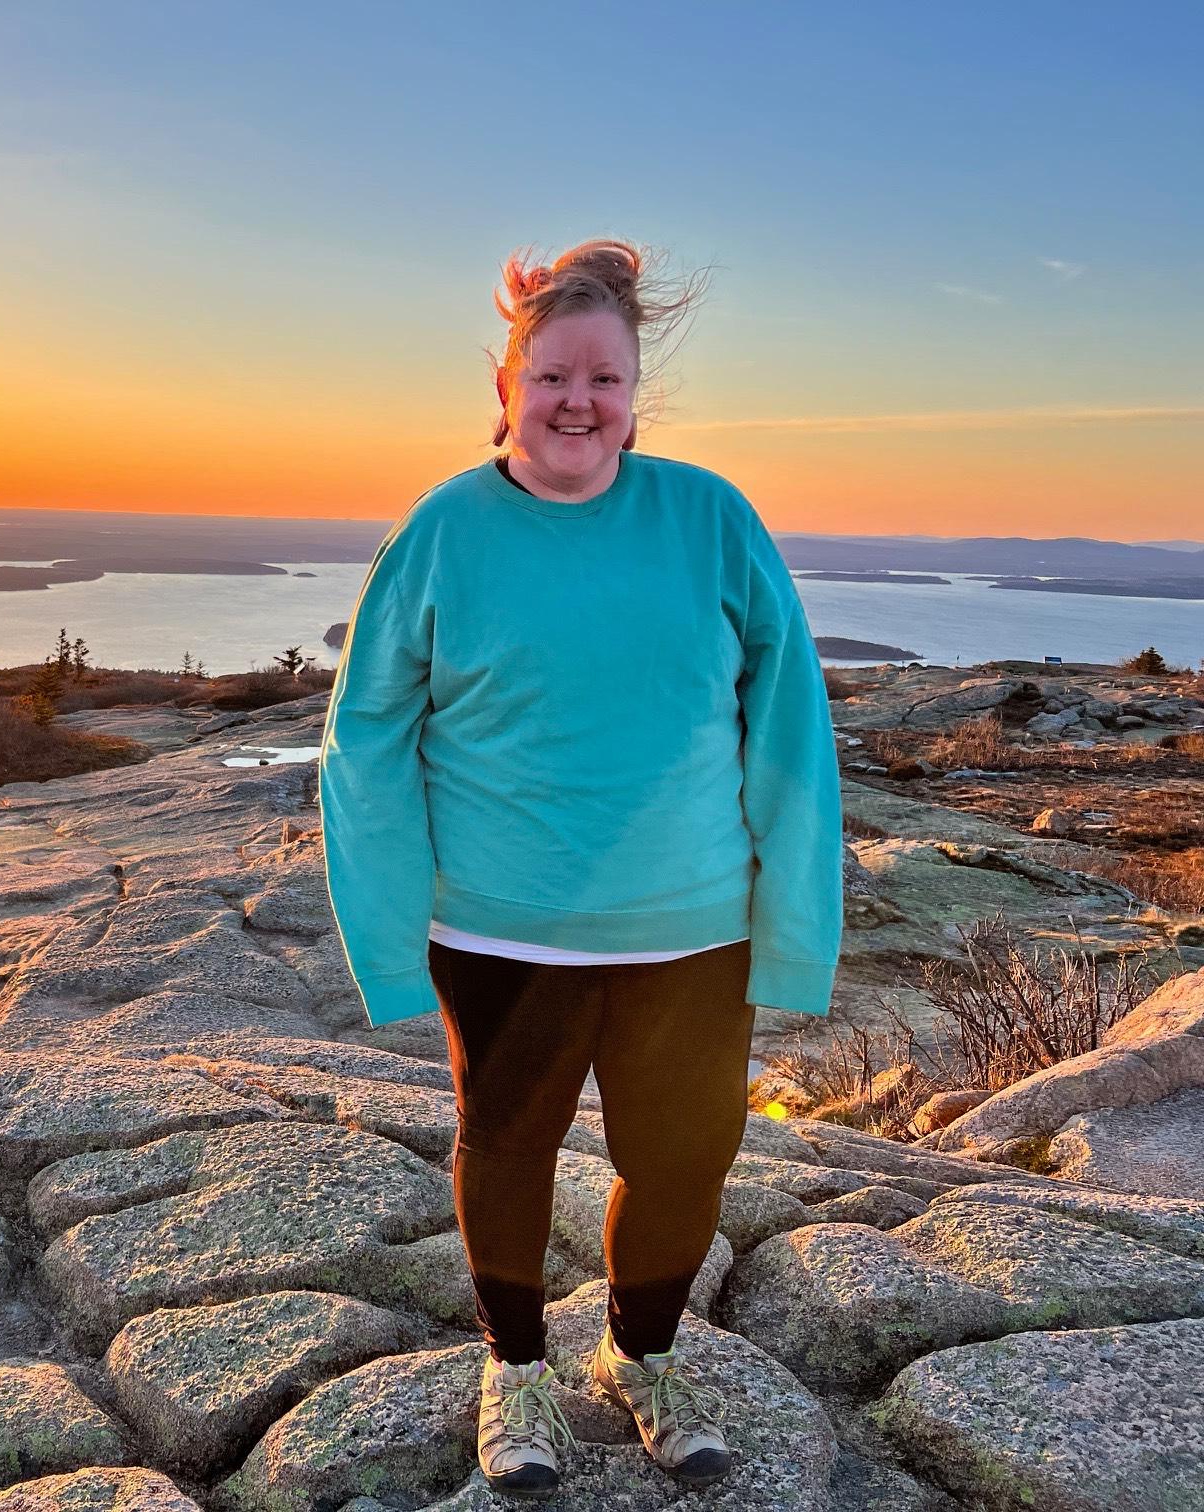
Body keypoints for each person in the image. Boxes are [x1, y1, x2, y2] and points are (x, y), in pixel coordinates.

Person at [317, 239, 841, 1498]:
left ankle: (642, 1359)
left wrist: (795, 928)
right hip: (504, 934)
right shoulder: (444, 531)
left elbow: (791, 726)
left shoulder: (709, 518)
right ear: (508, 387)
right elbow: (367, 740)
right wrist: (387, 941)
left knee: (684, 1164)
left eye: (603, 379)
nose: (577, 402)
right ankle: (515, 1374)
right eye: (552, 375)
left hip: (692, 930)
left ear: (633, 393)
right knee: (507, 1152)